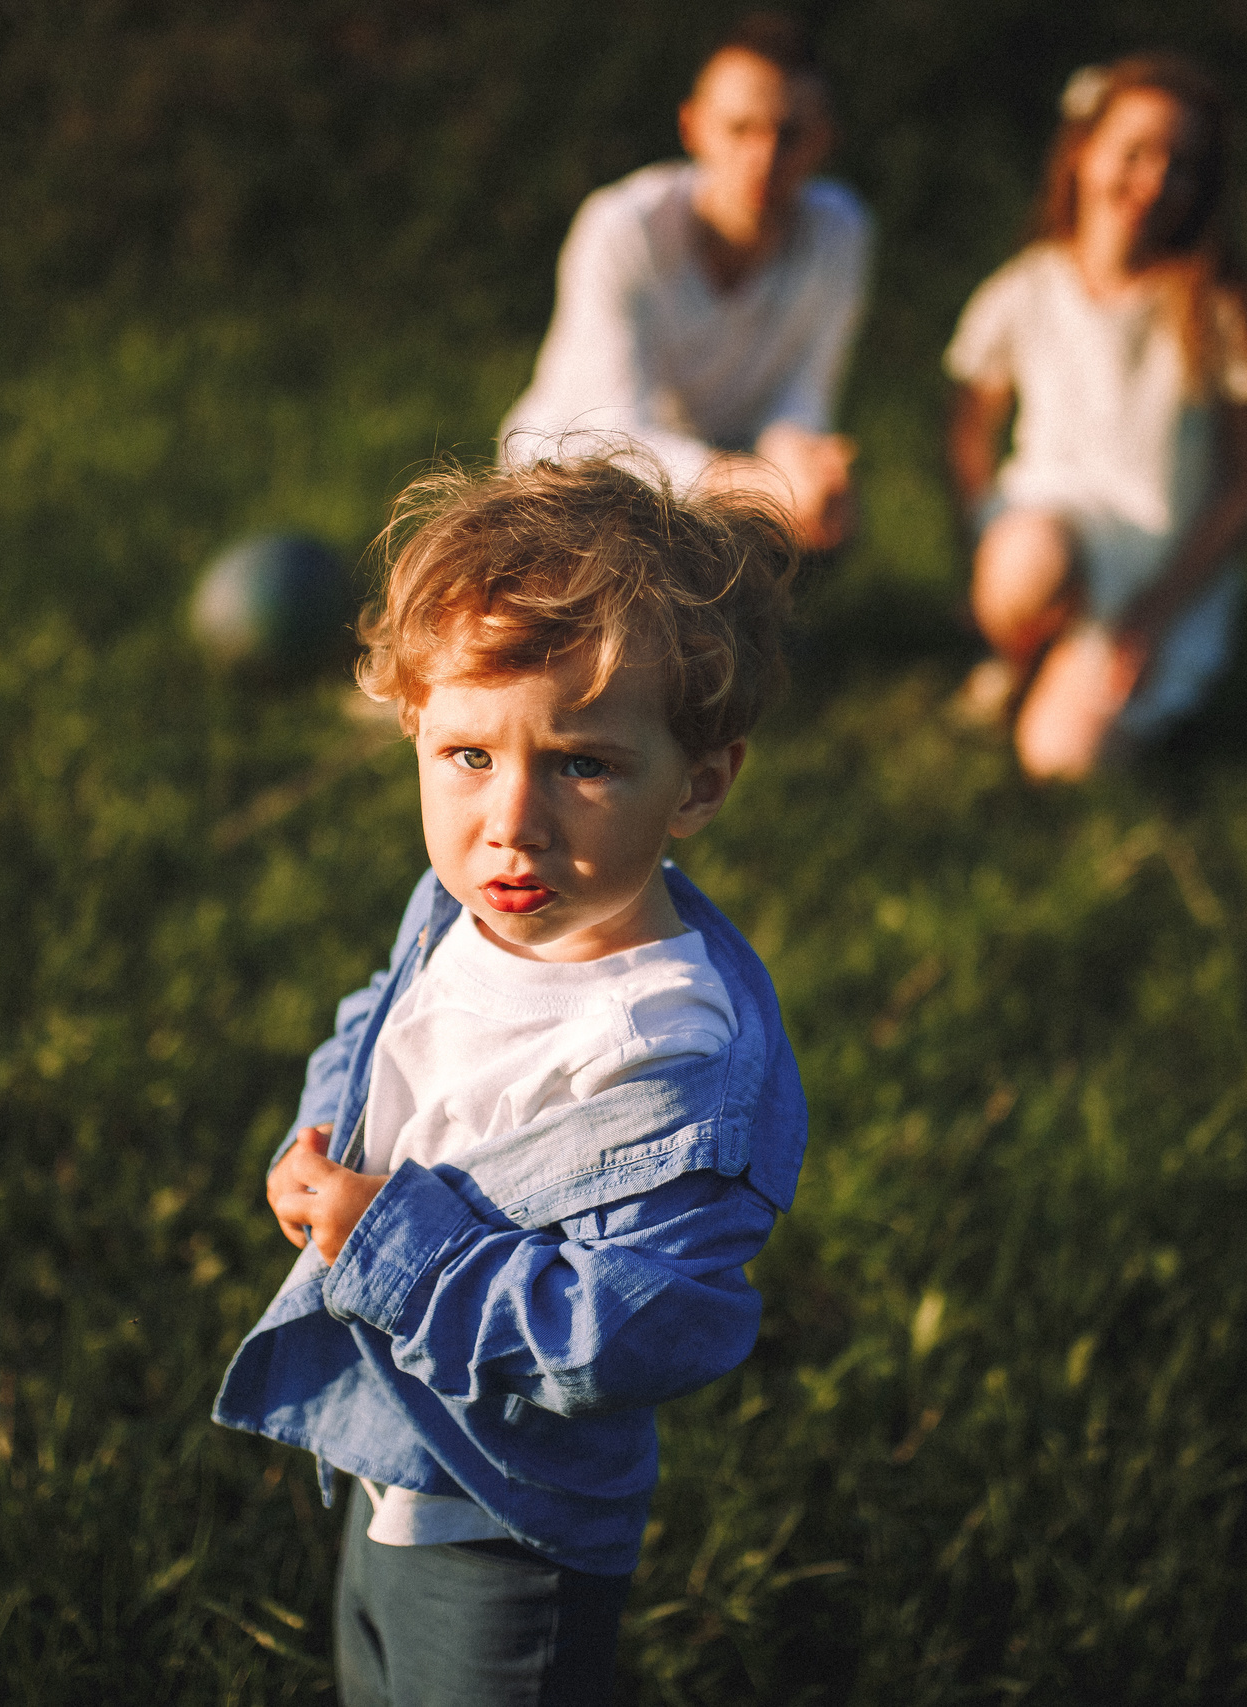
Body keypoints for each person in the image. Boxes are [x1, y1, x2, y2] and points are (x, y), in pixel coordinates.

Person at [212, 455, 808, 1707]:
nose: (512, 821)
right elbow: (384, 1026)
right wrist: (322, 1137)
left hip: (505, 1519)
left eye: (583, 764)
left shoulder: (665, 1058)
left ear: (699, 782)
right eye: (469, 755)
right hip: (392, 1451)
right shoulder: (462, 909)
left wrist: (386, 1243)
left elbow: (627, 1329)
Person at [944, 53, 1247, 780]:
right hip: (1048, 534)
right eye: (1135, 153)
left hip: (1157, 567)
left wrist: (1156, 611)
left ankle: (1070, 676)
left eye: (1181, 166)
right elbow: (969, 429)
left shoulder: (1221, 309)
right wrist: (984, 534)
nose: (1156, 181)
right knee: (1025, 562)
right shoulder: (1028, 288)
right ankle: (1022, 651)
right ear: (1083, 153)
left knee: (1064, 761)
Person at [498, 13, 869, 551]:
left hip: (717, 487)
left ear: (824, 139)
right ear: (692, 127)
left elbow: (802, 393)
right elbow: (611, 430)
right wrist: (755, 484)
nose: (763, 157)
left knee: (831, 511)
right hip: (564, 488)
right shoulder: (622, 229)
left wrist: (801, 465)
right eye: (739, 129)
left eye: (788, 134)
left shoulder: (841, 232)